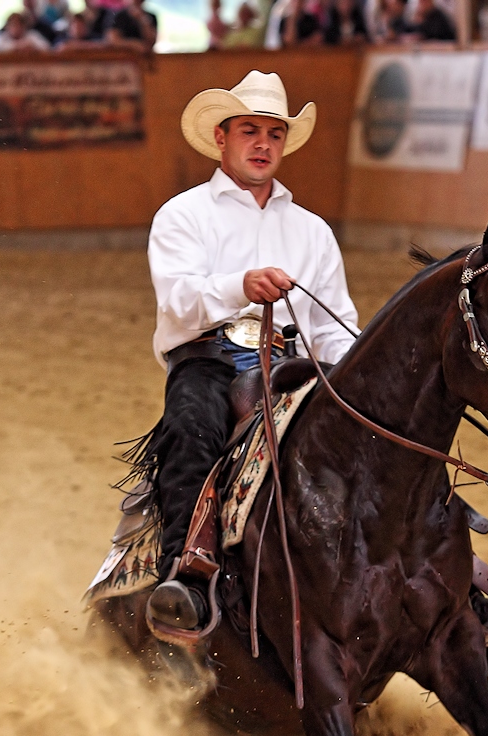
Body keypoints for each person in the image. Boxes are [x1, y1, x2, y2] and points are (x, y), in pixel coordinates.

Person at [145, 70, 358, 633]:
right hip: (207, 361)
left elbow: (334, 324)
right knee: (191, 429)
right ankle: (183, 574)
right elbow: (179, 302)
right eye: (249, 131)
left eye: (274, 133)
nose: (263, 144)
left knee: (374, 438)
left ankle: (433, 573)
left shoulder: (312, 231)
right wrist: (242, 285)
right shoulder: (183, 215)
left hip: (294, 365)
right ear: (222, 138)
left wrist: (358, 373)